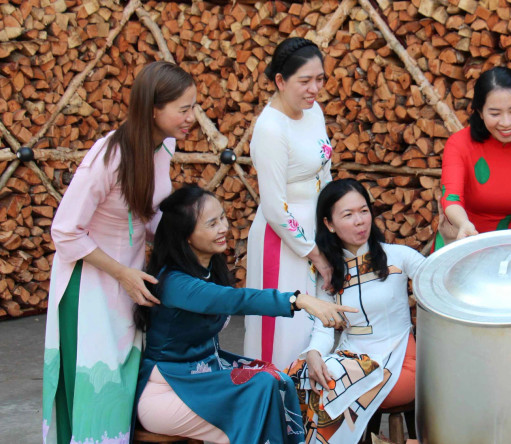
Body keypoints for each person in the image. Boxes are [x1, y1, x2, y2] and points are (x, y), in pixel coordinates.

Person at [41, 61, 194, 444]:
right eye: (185, 108)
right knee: (95, 380)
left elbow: (151, 217)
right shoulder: (108, 155)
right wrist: (122, 273)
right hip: (90, 281)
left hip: (129, 275)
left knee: (124, 378)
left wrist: (192, 244)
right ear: (154, 110)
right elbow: (64, 231)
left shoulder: (164, 148)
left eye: (194, 106)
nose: (193, 117)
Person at [134, 185, 357, 444]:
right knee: (259, 391)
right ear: (186, 236)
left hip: (203, 380)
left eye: (222, 218)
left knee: (276, 378)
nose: (223, 228)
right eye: (211, 223)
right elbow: (234, 300)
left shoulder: (207, 268)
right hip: (168, 391)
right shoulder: (175, 283)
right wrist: (299, 300)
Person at [285, 179, 424, 444]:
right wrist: (314, 354)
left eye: (363, 211)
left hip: (399, 361)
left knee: (331, 381)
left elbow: (436, 284)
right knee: (300, 374)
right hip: (351, 359)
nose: (360, 221)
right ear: (329, 224)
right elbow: (323, 327)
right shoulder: (329, 273)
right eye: (348, 215)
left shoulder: (400, 256)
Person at [245, 37, 335, 370]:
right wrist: (315, 254)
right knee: (282, 329)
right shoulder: (270, 128)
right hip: (282, 242)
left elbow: (324, 172)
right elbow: (273, 207)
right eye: (305, 81)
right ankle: (273, 406)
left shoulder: (314, 112)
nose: (315, 89)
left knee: (311, 330)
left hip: (314, 229)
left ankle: (307, 411)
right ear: (280, 81)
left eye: (320, 79)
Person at [436, 66, 511, 248]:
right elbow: (451, 198)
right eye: (495, 114)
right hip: (464, 242)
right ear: (480, 112)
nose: (506, 122)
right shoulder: (459, 144)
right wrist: (464, 224)